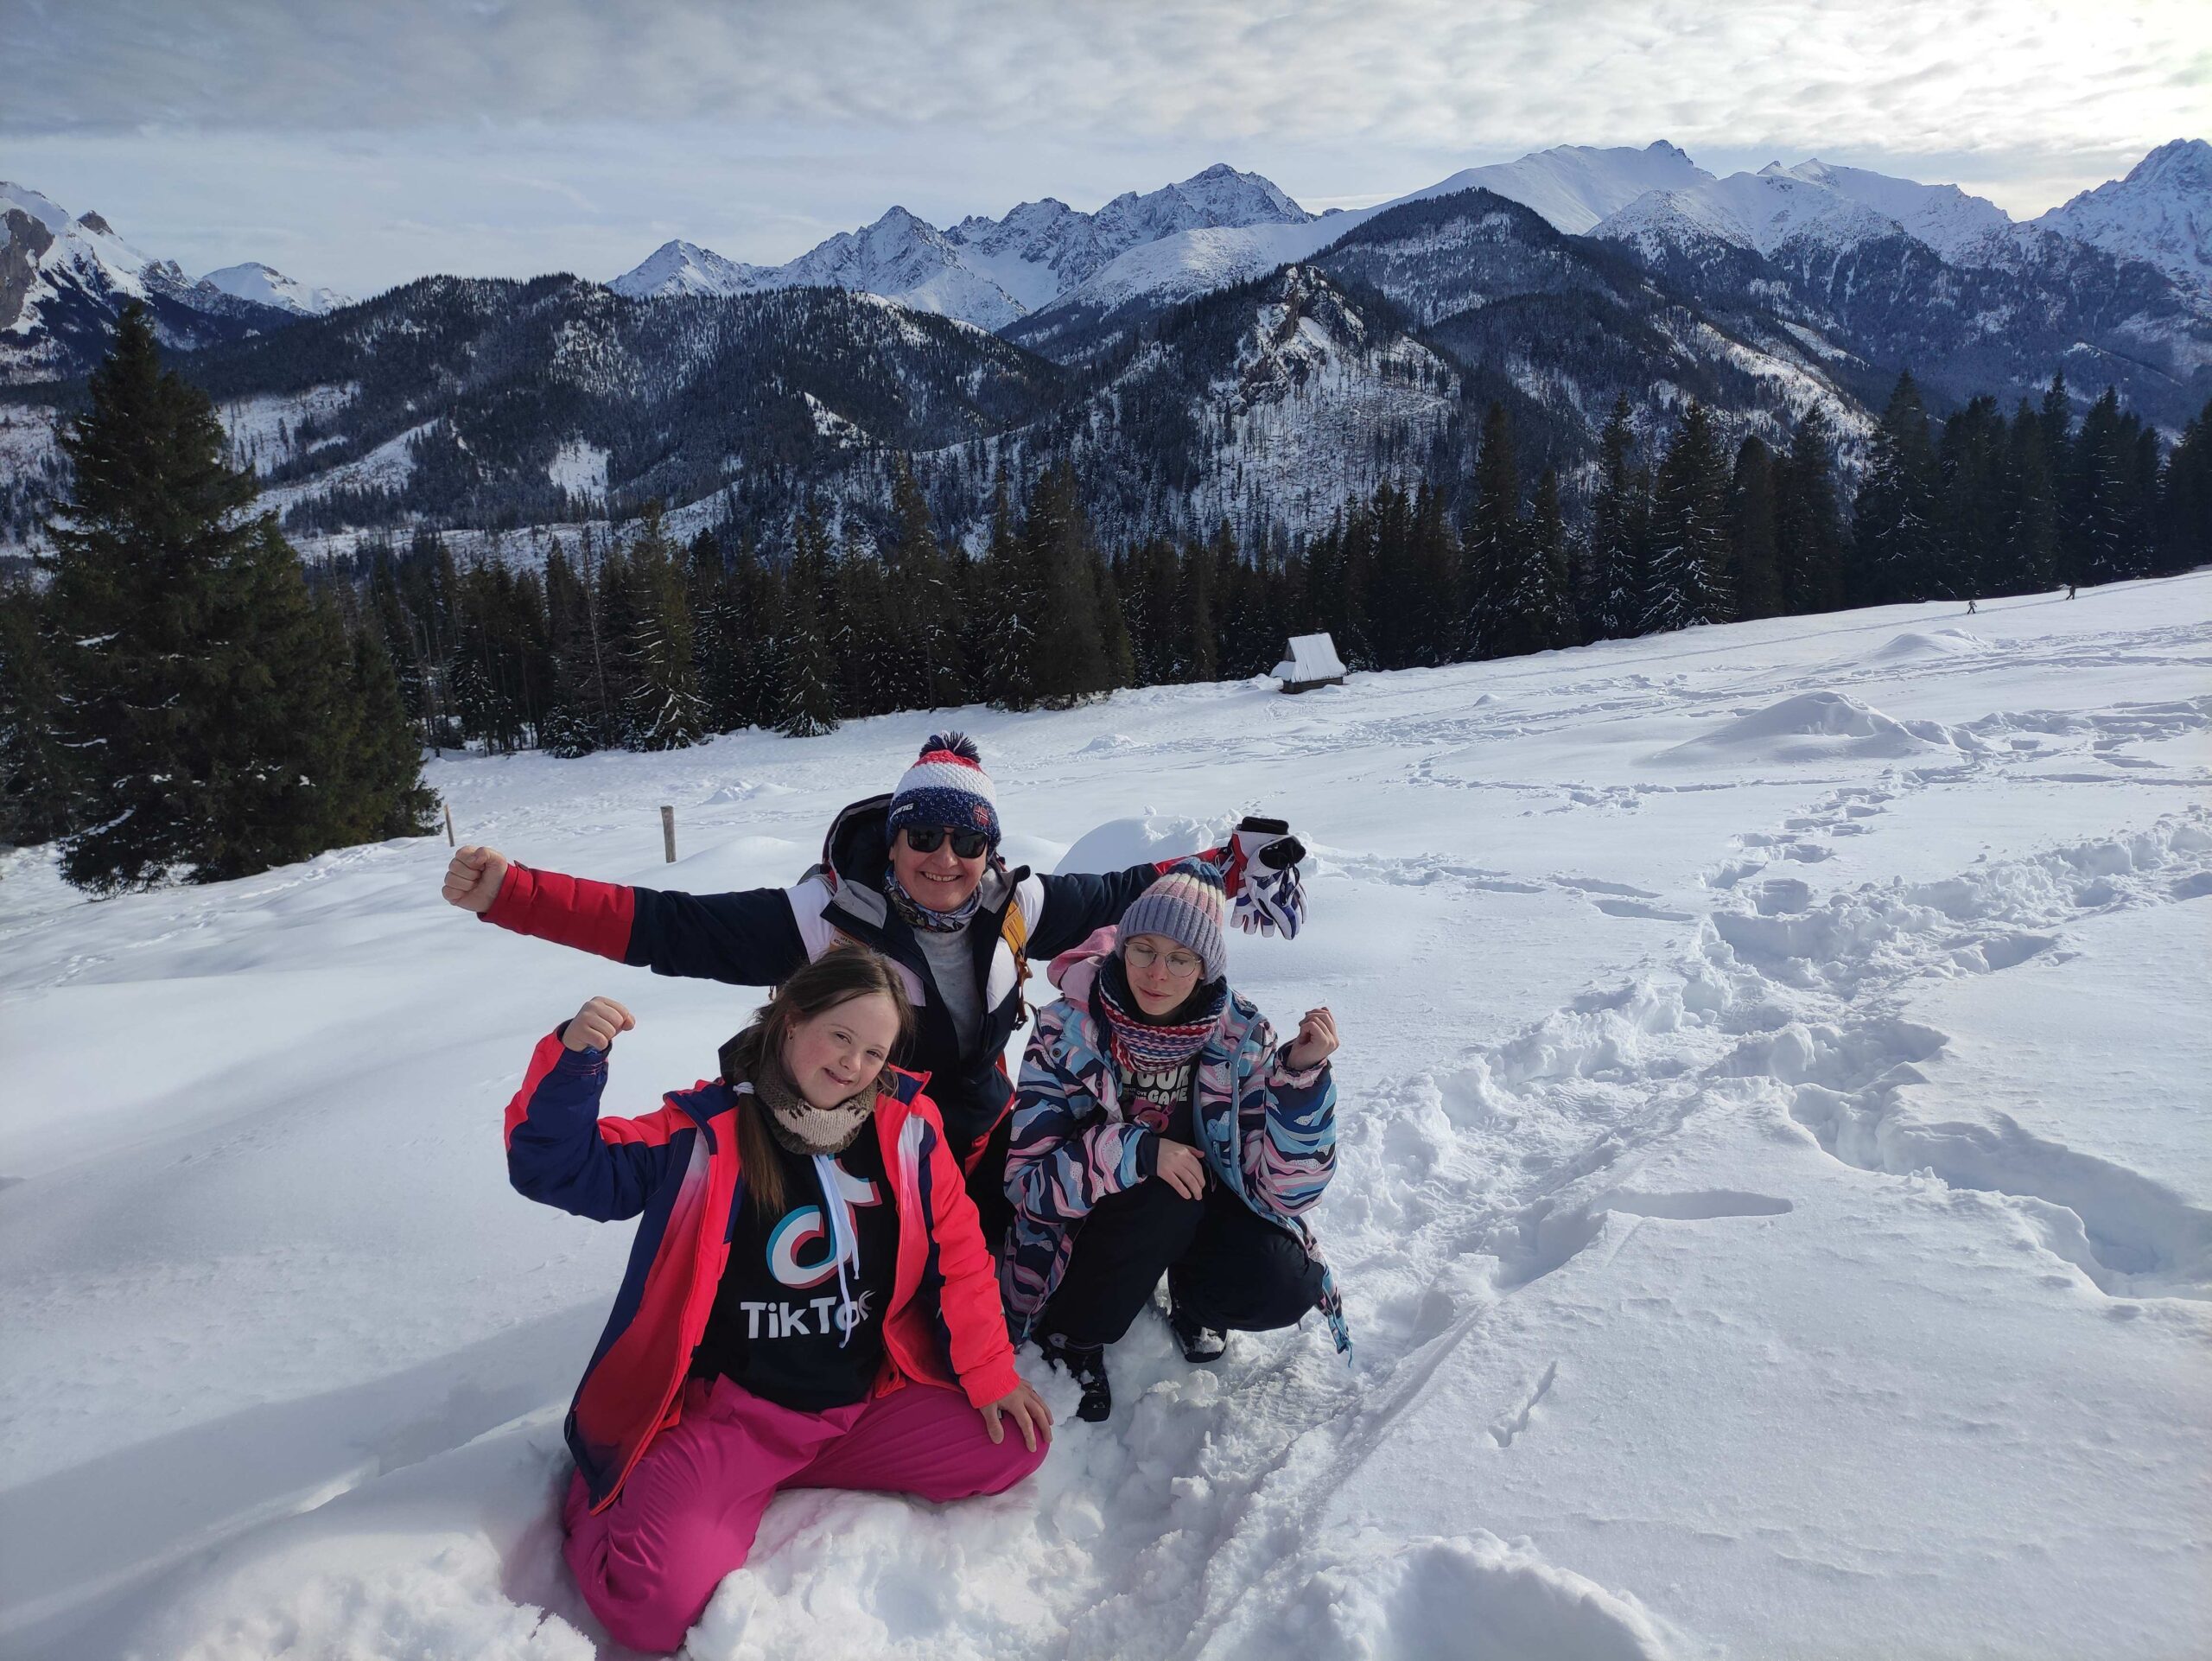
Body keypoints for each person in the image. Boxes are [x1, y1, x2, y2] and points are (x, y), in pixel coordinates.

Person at [446, 731, 1309, 1253]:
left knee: (1036, 1250)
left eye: (967, 840)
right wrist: (514, 895)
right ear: (892, 840)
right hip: (864, 1158)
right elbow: (669, 925)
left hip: (981, 1146)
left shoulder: (1017, 904)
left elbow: (1129, 888)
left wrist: (1232, 862)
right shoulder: (824, 918)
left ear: (989, 849)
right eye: (922, 834)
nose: (945, 857)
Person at [505, 947, 1052, 1654]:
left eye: (874, 1051)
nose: (853, 1064)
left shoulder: (908, 1128)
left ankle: (778, 1478)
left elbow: (960, 1253)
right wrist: (575, 1064)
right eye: (840, 1036)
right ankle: (613, 1489)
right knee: (651, 1614)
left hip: (860, 1409)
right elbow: (558, 1170)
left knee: (1013, 1443)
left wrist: (990, 1372)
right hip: (736, 1421)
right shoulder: (703, 1134)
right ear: (792, 1020)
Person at [1001, 861, 1348, 1421]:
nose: (1157, 972)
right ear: (1122, 948)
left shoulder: (1240, 1037)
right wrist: (1133, 1152)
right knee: (1164, 1192)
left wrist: (1299, 1082)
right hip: (1093, 1229)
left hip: (1198, 1210)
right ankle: (1073, 1335)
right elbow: (1027, 1186)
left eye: (1181, 957)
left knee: (1285, 1280)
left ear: (1205, 967)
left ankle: (1194, 1299)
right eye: (1144, 949)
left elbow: (1286, 1193)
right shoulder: (1067, 1031)